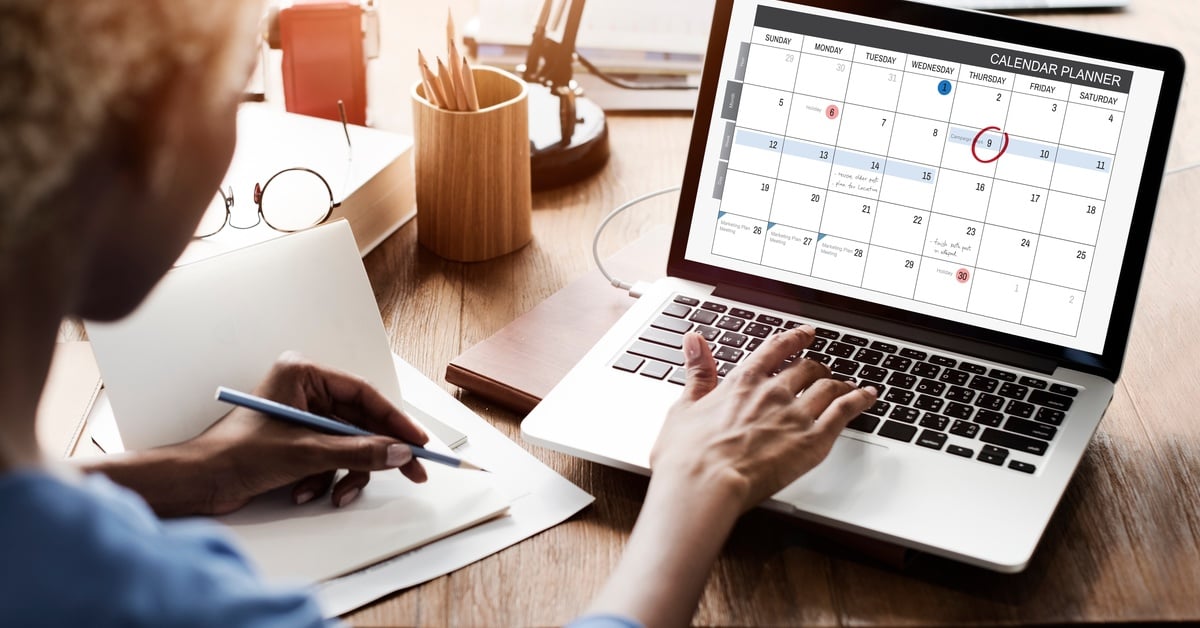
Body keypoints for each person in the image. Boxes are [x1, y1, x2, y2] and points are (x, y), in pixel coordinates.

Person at [0, 1, 876, 626]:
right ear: (144, 143)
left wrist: (196, 472)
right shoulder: (177, 602)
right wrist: (698, 485)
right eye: (236, 93)